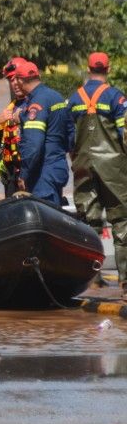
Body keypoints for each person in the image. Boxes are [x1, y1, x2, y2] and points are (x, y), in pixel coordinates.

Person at [68, 52, 127, 299]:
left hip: (83, 166)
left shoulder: (74, 99)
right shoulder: (116, 97)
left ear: (88, 67)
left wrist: (77, 160)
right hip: (113, 169)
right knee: (122, 223)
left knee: (88, 222)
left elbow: (69, 139)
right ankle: (125, 284)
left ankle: (91, 280)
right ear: (108, 68)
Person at [12, 59, 72, 204]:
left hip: (42, 174)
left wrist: (24, 174)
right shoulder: (56, 97)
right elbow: (70, 134)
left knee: (45, 221)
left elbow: (33, 145)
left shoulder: (36, 104)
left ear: (20, 80)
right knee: (56, 217)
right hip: (58, 168)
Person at [0, 57, 30, 197]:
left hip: (30, 172)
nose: (14, 83)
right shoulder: (9, 108)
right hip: (11, 176)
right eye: (11, 80)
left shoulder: (36, 104)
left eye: (16, 78)